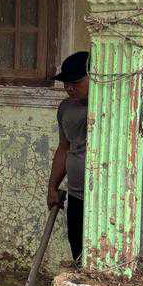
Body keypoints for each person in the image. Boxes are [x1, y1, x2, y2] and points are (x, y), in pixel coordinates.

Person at [48, 51, 89, 264]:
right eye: (66, 83)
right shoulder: (65, 108)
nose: (69, 88)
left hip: (101, 200)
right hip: (76, 196)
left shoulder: (109, 108)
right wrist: (52, 187)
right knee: (78, 253)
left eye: (75, 82)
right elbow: (64, 148)